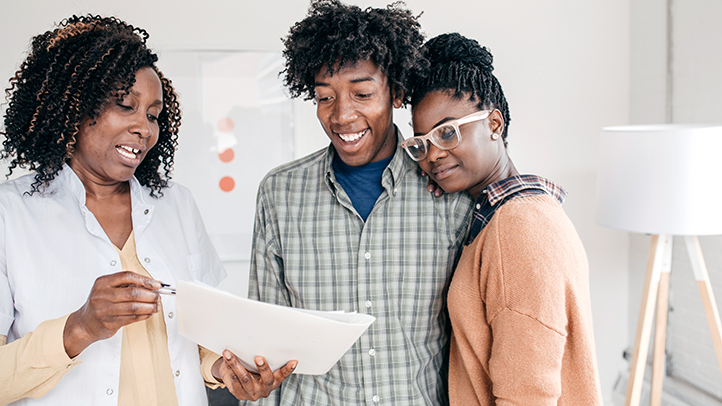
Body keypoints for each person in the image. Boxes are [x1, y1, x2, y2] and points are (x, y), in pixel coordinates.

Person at [0, 15, 294, 405]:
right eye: (125, 106)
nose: (145, 129)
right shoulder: (10, 213)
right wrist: (80, 328)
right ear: (71, 110)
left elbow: (202, 337)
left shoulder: (176, 204)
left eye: (153, 115)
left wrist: (229, 372)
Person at [245, 1, 474, 405]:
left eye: (362, 93)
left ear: (397, 93)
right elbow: (263, 345)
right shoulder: (280, 194)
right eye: (325, 97)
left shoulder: (445, 191)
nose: (342, 115)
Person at [402, 32, 603, 405]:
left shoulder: (518, 226)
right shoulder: (511, 214)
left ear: (494, 124)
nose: (432, 155)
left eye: (447, 133)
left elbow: (527, 395)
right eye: (422, 144)